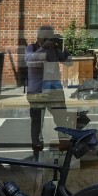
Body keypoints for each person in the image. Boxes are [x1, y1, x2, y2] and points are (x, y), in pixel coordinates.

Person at [26, 26, 70, 158]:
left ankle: (64, 151)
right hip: (37, 92)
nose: (48, 39)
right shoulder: (31, 47)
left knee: (63, 121)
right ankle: (37, 153)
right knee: (37, 124)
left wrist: (62, 46)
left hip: (54, 90)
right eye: (45, 36)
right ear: (39, 37)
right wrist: (44, 47)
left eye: (49, 36)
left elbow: (69, 63)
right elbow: (30, 61)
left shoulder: (55, 49)